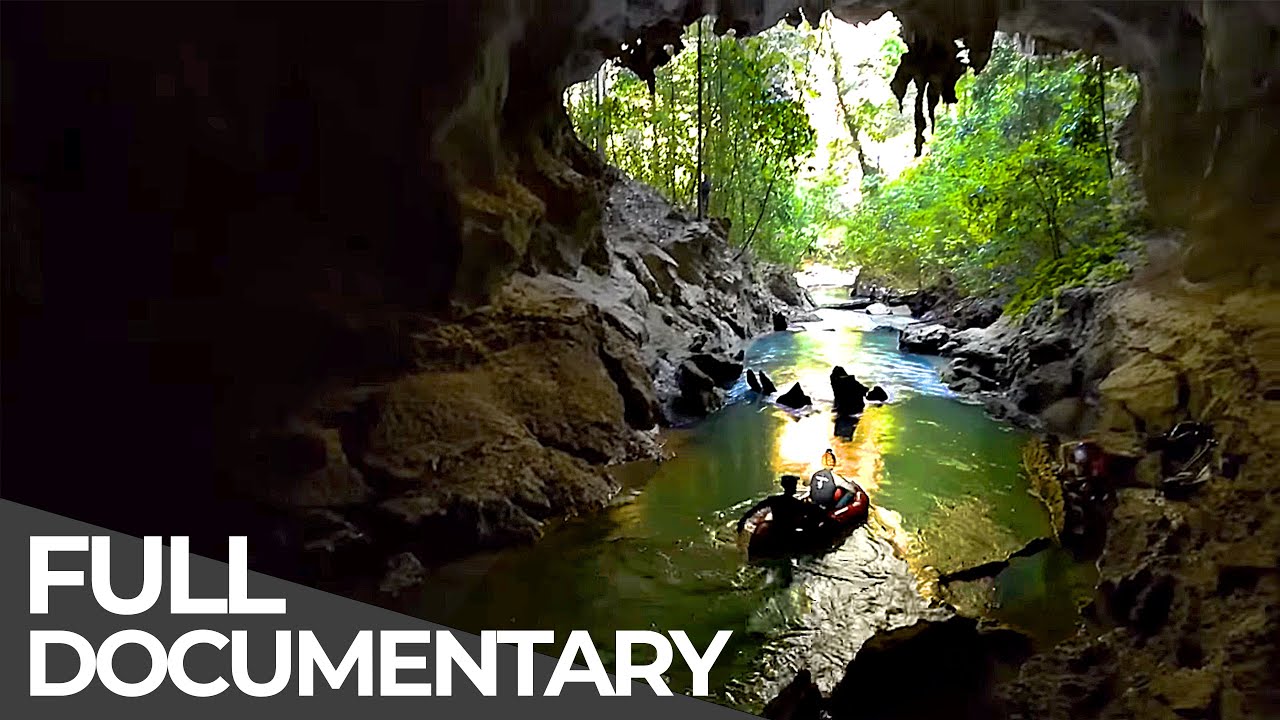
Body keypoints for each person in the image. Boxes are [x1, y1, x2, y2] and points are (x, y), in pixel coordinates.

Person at [737, 475, 828, 534]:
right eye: (794, 485)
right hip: (789, 532)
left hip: (776, 529)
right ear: (792, 487)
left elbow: (753, 510)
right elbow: (818, 513)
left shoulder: (773, 500)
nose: (795, 487)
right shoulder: (797, 504)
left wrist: (742, 522)